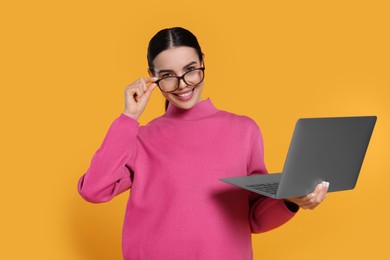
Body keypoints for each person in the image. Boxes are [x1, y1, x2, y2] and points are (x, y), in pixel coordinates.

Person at [77, 27, 329, 260]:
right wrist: (128, 118)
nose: (183, 85)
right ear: (151, 79)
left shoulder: (243, 130)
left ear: (203, 63)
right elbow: (93, 190)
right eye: (167, 76)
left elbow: (254, 218)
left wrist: (290, 200)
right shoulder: (140, 137)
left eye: (191, 70)